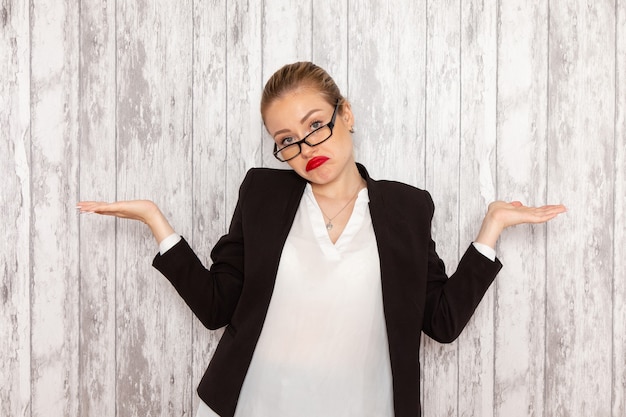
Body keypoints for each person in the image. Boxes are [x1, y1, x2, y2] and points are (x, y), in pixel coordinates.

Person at [77, 61, 566, 417]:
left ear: (345, 113)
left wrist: (491, 231)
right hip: (253, 404)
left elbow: (439, 321)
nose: (305, 147)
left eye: (316, 124)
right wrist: (155, 221)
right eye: (287, 139)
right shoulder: (262, 194)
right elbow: (216, 307)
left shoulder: (406, 208)